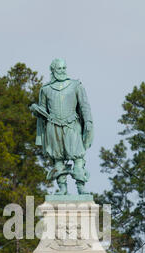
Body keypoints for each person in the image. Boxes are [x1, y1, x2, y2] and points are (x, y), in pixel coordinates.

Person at [30, 58, 94, 195]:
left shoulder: (76, 85)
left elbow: (84, 105)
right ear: (53, 70)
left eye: (64, 68)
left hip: (72, 126)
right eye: (59, 68)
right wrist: (37, 110)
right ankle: (63, 188)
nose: (62, 71)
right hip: (53, 127)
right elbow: (43, 109)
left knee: (78, 157)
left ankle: (80, 186)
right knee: (57, 158)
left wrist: (88, 121)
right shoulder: (46, 89)